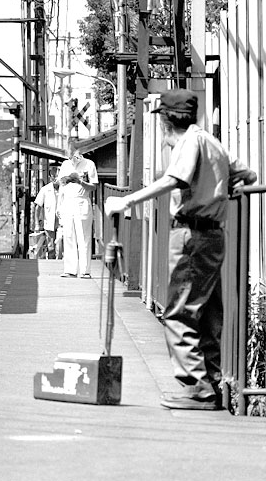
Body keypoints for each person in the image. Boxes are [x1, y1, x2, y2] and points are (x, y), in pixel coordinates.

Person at [105, 89, 256, 410]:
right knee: (208, 312)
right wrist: (221, 189)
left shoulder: (189, 141)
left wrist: (127, 200)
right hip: (215, 234)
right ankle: (212, 383)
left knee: (178, 313)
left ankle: (197, 388)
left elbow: (175, 179)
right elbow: (248, 175)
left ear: (166, 120)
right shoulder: (212, 142)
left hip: (191, 233)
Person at [57, 138, 98, 278]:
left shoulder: (89, 164)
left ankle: (85, 270)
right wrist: (59, 205)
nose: (71, 155)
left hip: (82, 202)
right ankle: (70, 269)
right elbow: (61, 186)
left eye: (73, 151)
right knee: (68, 235)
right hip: (67, 202)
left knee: (83, 237)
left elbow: (94, 186)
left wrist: (81, 182)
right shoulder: (65, 165)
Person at [33, 167, 62, 259]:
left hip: (62, 222)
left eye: (57, 176)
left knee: (60, 244)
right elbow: (37, 207)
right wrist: (37, 224)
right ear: (50, 178)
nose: (55, 179)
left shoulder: (65, 189)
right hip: (49, 223)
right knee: (51, 247)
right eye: (53, 176)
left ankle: (61, 264)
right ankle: (52, 265)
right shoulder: (45, 190)